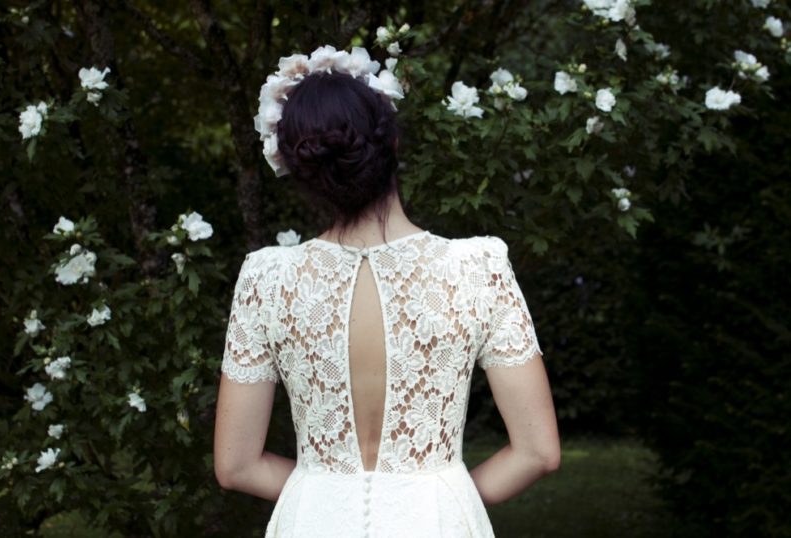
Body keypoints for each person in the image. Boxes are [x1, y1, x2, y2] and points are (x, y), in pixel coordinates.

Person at [213, 45, 560, 537]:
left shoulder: (267, 279)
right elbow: (538, 452)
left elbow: (236, 465)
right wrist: (440, 494)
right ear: (392, 141)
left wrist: (326, 493)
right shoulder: (477, 268)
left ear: (299, 167)